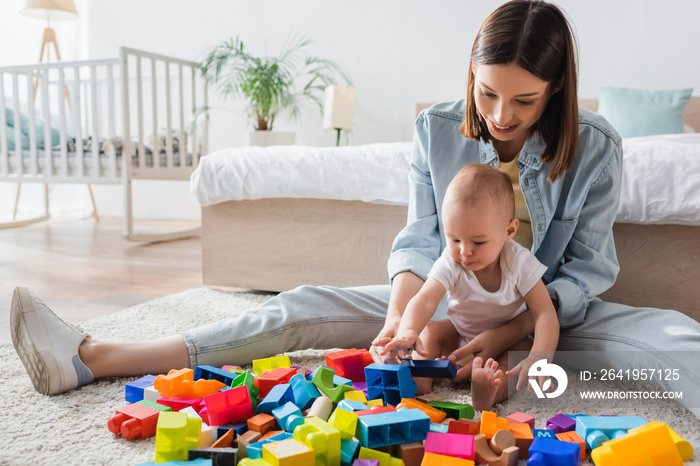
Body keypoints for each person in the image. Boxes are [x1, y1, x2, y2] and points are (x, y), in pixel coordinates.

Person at [11, 0, 700, 419]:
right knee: (302, 305)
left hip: (546, 314)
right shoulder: (436, 129)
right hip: (442, 302)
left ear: (556, 90)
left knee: (673, 337)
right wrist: (403, 323)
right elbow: (421, 239)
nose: (499, 117)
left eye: (525, 102)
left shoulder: (598, 146)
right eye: (488, 94)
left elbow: (583, 272)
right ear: (472, 76)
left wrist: (509, 333)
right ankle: (95, 356)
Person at [375, 163, 559, 411]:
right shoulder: (452, 261)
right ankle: (417, 383)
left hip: (507, 342)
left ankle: (488, 392)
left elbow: (544, 313)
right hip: (459, 335)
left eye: (478, 242)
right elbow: (426, 299)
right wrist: (408, 331)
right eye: (454, 239)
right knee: (429, 332)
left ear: (509, 230)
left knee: (519, 356)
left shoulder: (519, 262)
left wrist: (540, 358)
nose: (465, 251)